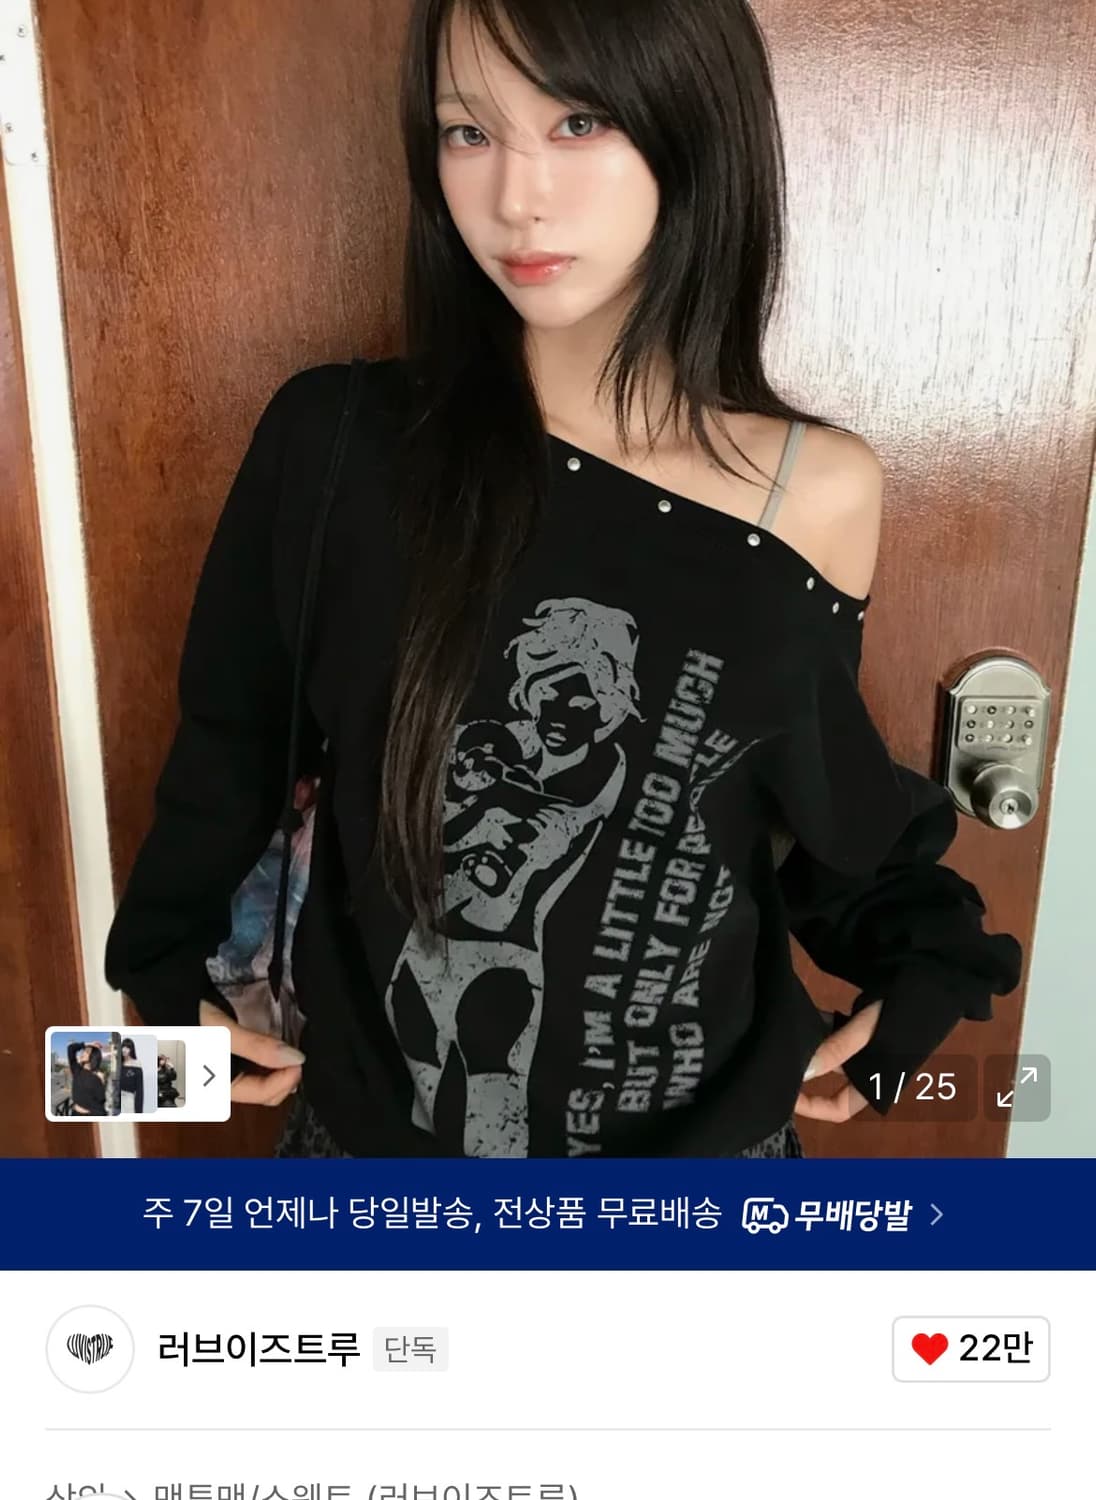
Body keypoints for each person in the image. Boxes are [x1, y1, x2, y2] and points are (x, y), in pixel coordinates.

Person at [104, 0, 1022, 1158]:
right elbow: (229, 747)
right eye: (467, 131)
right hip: (375, 1158)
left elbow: (790, 803)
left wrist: (924, 983)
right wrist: (155, 1013)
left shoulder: (814, 490)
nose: (516, 197)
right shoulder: (339, 444)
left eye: (579, 121)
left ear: (690, 123)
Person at [66, 1041, 108, 1118]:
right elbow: (71, 1048)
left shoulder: (97, 1077)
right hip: (75, 1115)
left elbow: (100, 1101)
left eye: (87, 1052)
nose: (83, 1053)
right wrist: (89, 1044)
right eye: (84, 1051)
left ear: (93, 1056)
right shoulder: (77, 1069)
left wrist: (102, 1083)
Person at [118, 1037, 145, 1114]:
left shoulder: (136, 1064)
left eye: (127, 1048)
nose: (124, 1050)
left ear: (131, 1049)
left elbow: (140, 1090)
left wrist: (139, 1111)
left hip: (128, 1102)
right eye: (123, 1047)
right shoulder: (118, 1064)